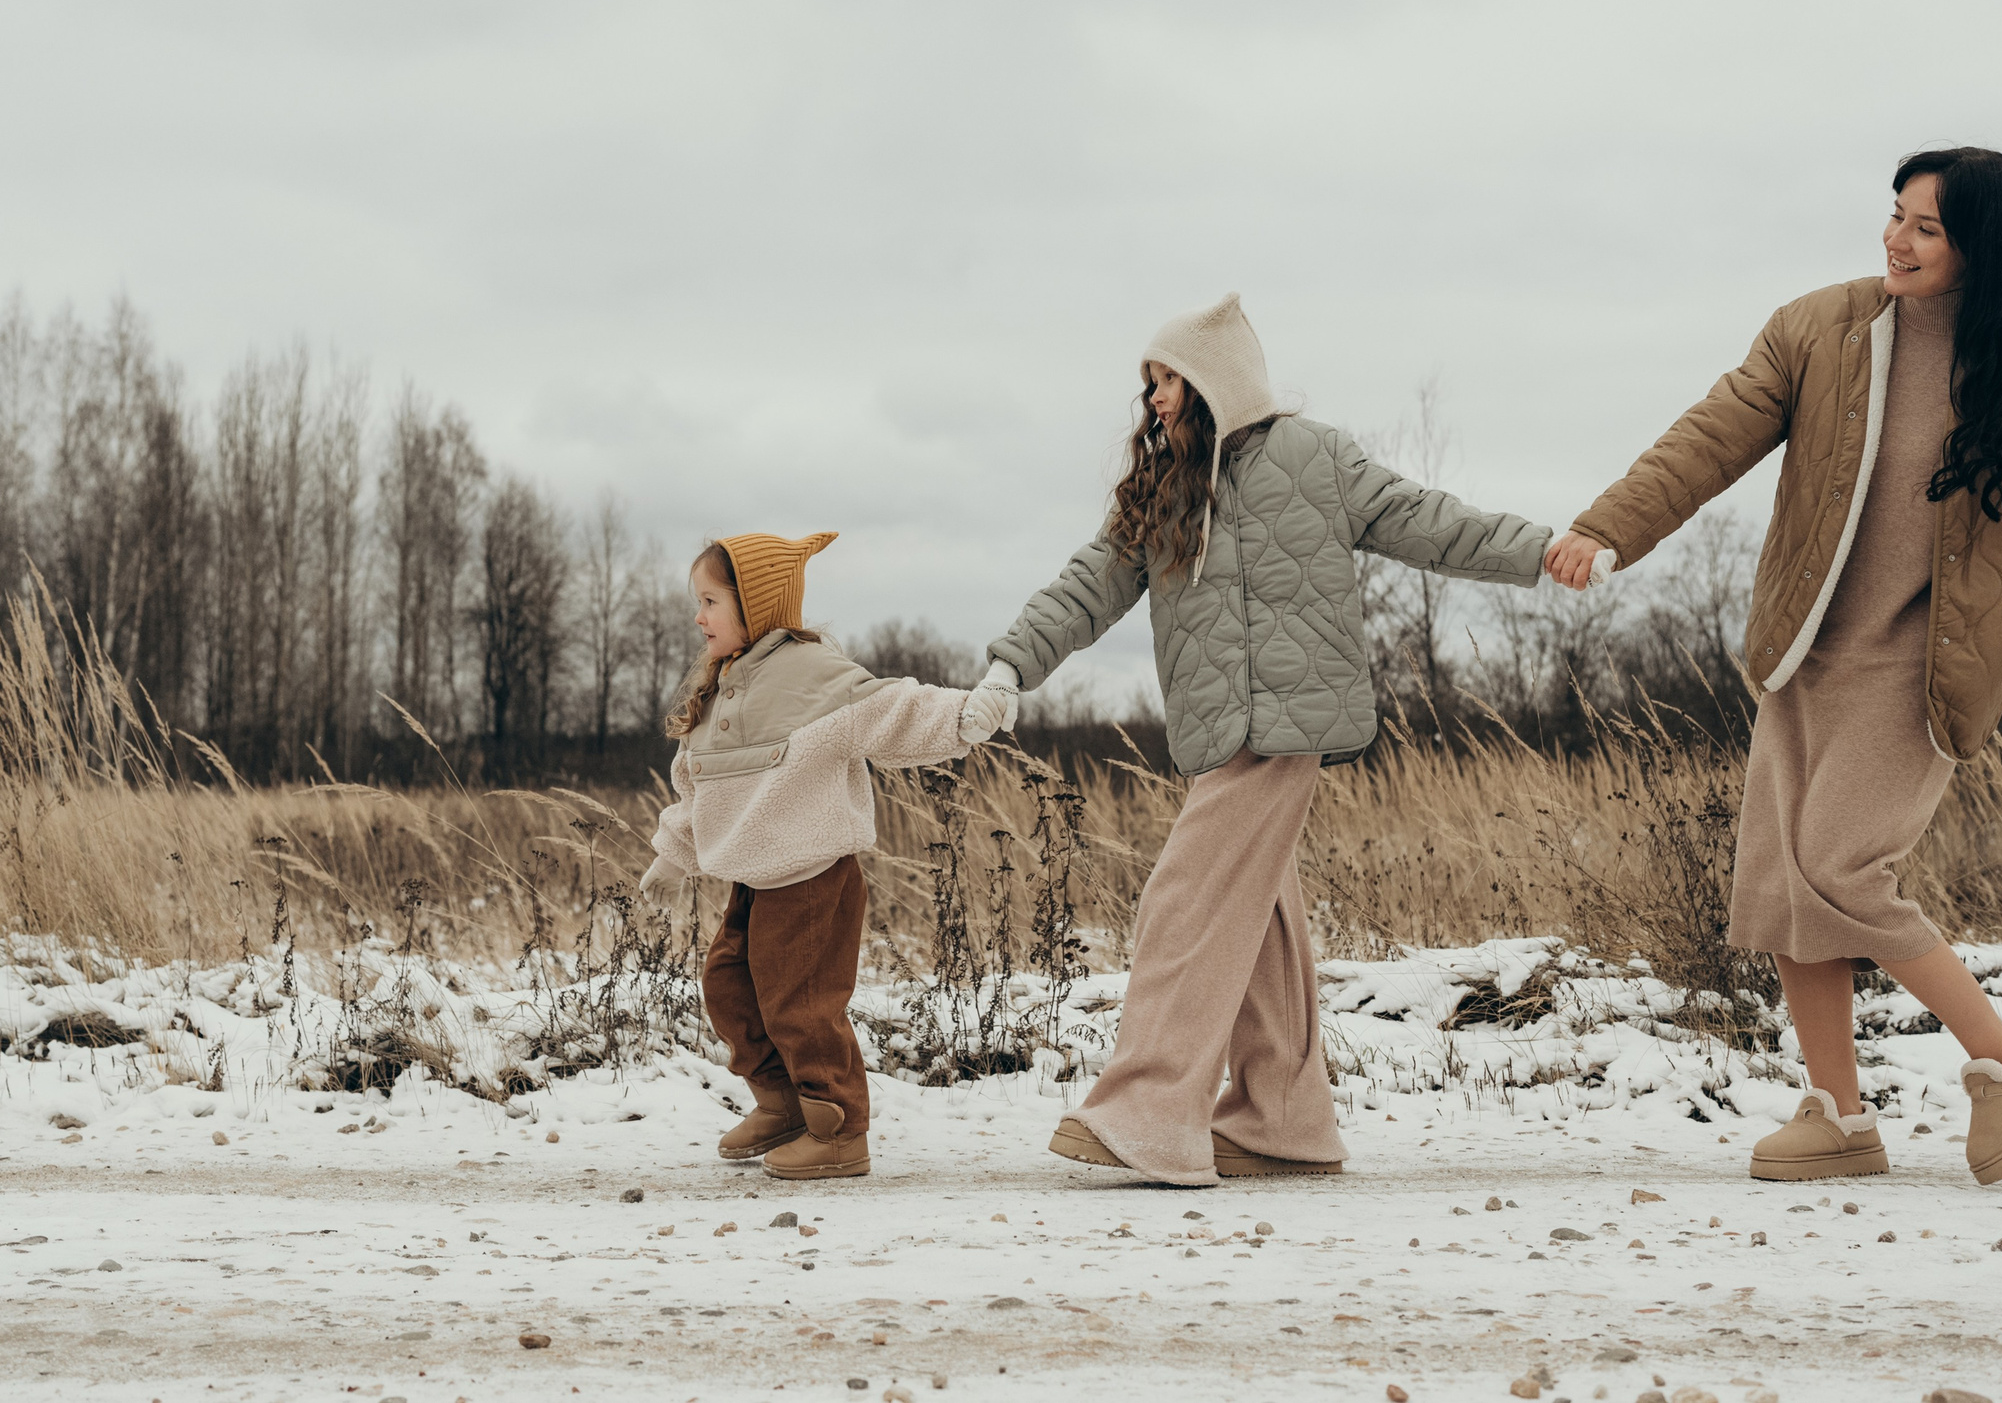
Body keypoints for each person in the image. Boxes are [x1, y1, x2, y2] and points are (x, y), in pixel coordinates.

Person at [1545, 147, 2002, 1185]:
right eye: (1893, 216)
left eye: (1925, 226)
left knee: (1840, 868)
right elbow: (1708, 437)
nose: (1895, 238)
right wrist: (1605, 527)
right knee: (1783, 883)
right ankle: (1837, 1114)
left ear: (1981, 243)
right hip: (1803, 651)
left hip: (1921, 670)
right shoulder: (1819, 328)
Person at [971, 293, 1555, 1187]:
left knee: (1187, 900)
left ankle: (1151, 1112)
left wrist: (1541, 552)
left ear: (1215, 382)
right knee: (1261, 919)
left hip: (1289, 725)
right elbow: (1090, 584)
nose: (1155, 399)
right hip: (1219, 731)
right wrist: (1012, 667)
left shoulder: (1315, 458)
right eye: (1150, 383)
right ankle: (1285, 1120)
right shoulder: (1163, 488)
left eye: (1167, 379)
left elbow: (1429, 522)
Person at [641, 532, 1017, 1181]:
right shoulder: (718, 691)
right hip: (752, 879)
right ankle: (785, 1104)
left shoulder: (812, 676)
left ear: (755, 606)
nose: (698, 618)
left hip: (813, 875)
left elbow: (894, 709)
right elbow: (696, 788)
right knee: (729, 986)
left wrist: (966, 715)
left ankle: (839, 1127)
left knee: (801, 1002)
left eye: (709, 602)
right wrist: (672, 858)